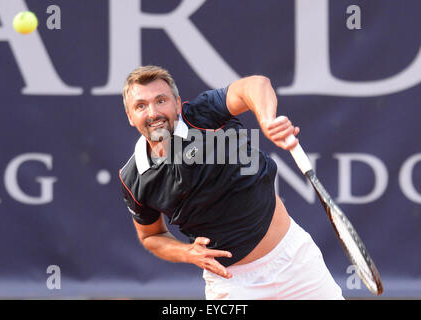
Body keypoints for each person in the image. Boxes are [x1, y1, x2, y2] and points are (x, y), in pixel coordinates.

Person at [119, 65, 343, 300]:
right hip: (233, 285)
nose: (153, 113)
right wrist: (187, 252)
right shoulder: (133, 178)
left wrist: (266, 121)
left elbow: (255, 84)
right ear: (130, 116)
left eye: (161, 100)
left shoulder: (203, 113)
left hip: (295, 262)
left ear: (177, 103)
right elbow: (151, 236)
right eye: (141, 106)